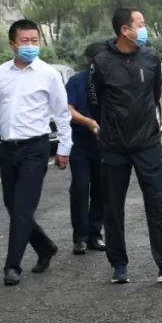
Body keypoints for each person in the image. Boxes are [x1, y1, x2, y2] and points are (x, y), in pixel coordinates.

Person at [0, 20, 72, 286]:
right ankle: (45, 247)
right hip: (7, 149)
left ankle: (12, 266)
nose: (30, 45)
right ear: (12, 45)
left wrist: (64, 148)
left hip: (35, 148)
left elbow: (62, 113)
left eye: (34, 40)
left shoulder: (48, 74)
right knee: (13, 206)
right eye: (25, 41)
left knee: (23, 208)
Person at [88, 8, 162, 285]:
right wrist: (111, 127)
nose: (144, 28)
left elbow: (153, 95)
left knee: (157, 204)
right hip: (114, 147)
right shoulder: (101, 62)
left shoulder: (150, 58)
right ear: (124, 30)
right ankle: (119, 264)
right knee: (113, 208)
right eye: (140, 24)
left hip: (147, 144)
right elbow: (94, 102)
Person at [66, 42, 107, 254]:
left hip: (105, 143)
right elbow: (68, 108)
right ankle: (80, 237)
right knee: (80, 188)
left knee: (101, 189)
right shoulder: (76, 81)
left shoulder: (111, 80)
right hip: (80, 142)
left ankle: (95, 234)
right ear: (89, 61)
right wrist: (88, 122)